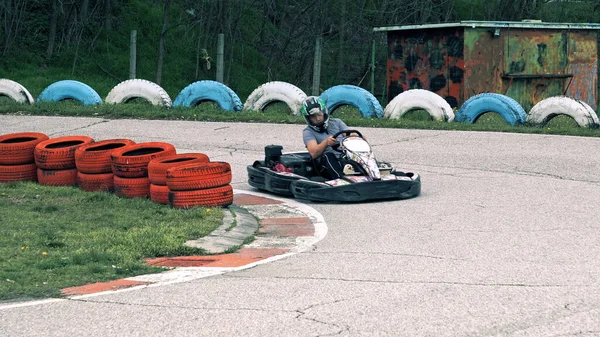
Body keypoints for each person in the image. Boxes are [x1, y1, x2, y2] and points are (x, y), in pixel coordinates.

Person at [300, 96, 357, 179]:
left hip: (344, 158)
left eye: (319, 114)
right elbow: (314, 153)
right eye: (313, 116)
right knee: (328, 156)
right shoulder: (308, 132)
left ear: (324, 112)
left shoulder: (337, 122)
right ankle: (340, 179)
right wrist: (326, 143)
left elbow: (348, 134)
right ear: (308, 118)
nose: (318, 118)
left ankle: (373, 174)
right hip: (324, 166)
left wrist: (355, 136)